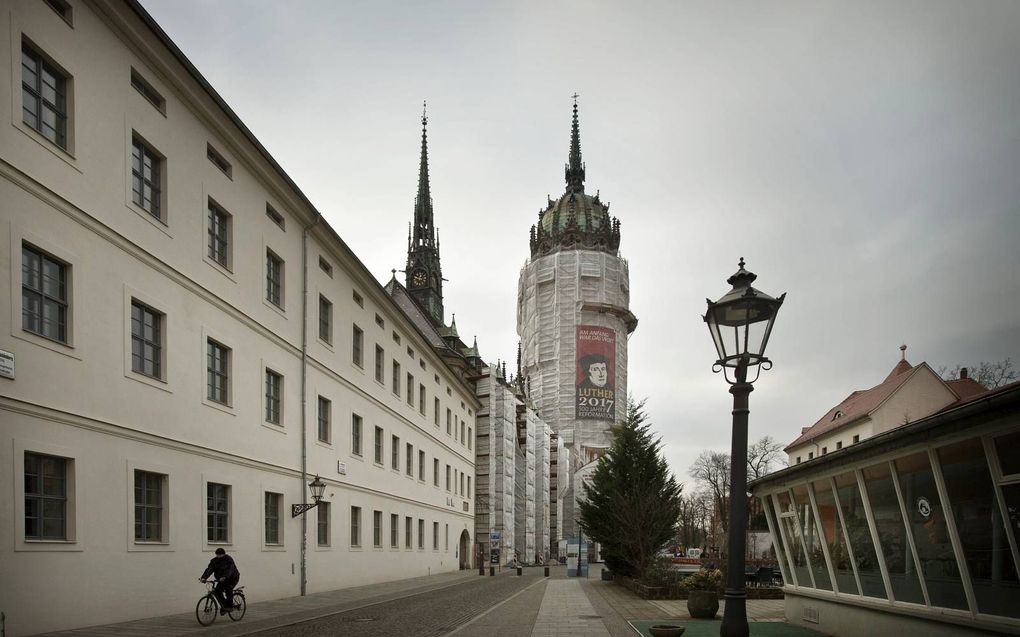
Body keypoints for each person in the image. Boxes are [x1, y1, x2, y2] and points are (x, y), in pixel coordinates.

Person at [199, 547, 240, 614]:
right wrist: (204, 578)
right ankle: (224, 606)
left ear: (224, 554)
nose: (219, 556)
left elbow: (230, 569)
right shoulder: (214, 561)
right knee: (217, 591)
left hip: (233, 578)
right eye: (217, 555)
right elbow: (209, 569)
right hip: (221, 579)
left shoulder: (228, 559)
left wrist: (225, 576)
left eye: (220, 555)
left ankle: (230, 606)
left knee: (228, 589)